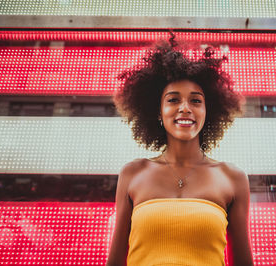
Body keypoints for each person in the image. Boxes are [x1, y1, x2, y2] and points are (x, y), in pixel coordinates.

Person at [106, 36, 253, 266]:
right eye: (173, 100)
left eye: (196, 101)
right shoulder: (132, 174)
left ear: (208, 110)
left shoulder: (233, 178)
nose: (185, 108)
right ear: (158, 111)